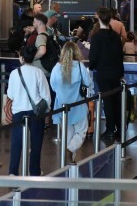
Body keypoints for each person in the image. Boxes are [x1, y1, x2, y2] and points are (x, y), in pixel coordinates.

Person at [4, 45, 51, 176]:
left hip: (18, 113)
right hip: (36, 113)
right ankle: (34, 171)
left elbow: (11, 95)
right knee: (36, 144)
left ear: (21, 58)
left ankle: (13, 172)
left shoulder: (14, 73)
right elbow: (46, 96)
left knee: (16, 144)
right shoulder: (38, 72)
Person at [50, 42, 93, 163]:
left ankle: (69, 160)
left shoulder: (57, 67)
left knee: (68, 133)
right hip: (78, 105)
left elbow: (53, 86)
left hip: (62, 106)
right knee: (81, 131)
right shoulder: (80, 66)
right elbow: (88, 83)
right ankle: (70, 151)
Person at [88, 8, 124, 140]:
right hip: (115, 72)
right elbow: (120, 55)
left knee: (107, 102)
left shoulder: (96, 37)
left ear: (98, 18)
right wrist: (121, 72)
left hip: (103, 73)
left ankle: (109, 129)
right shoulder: (115, 36)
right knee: (117, 101)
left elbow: (93, 57)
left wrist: (92, 67)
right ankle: (119, 128)